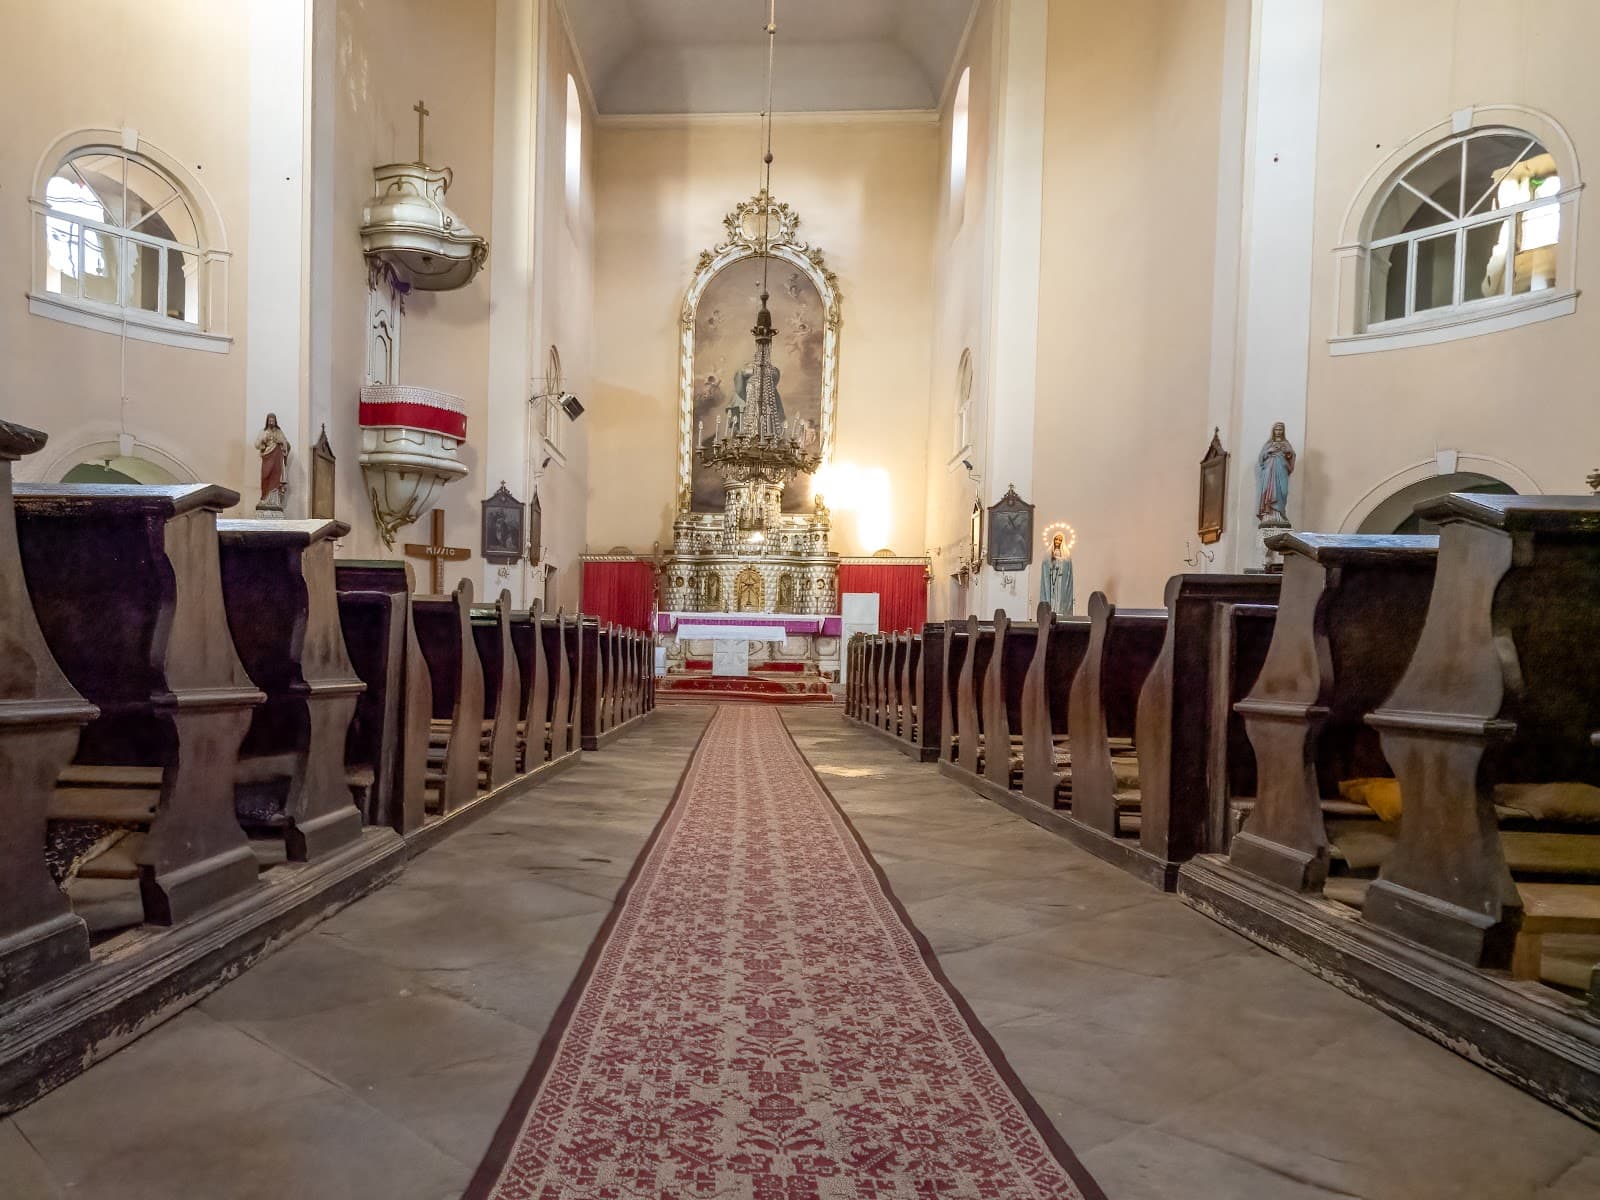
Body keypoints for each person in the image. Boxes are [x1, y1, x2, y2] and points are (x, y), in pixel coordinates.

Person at [1255, 421, 1297, 523]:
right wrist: (1269, 451)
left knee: (1283, 491)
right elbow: (1261, 459)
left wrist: (1288, 453)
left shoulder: (1286, 444)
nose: (1278, 432)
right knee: (1269, 490)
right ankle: (1269, 515)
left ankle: (1281, 513)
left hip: (1282, 469)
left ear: (1283, 431)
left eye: (1280, 430)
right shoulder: (1269, 444)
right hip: (1269, 471)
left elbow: (1291, 455)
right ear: (1273, 431)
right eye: (1276, 429)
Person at [256, 414, 291, 509]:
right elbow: (257, 444)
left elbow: (286, 444)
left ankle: (274, 500)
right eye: (270, 420)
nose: (271, 422)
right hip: (267, 456)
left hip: (277, 457)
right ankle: (264, 498)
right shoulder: (263, 432)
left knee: (276, 476)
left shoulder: (279, 432)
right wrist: (263, 440)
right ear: (267, 421)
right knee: (265, 476)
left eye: (273, 420)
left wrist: (280, 441)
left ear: (275, 421)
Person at [1040, 531, 1074, 617]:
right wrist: (1052, 560)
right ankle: (1049, 615)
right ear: (1053, 540)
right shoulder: (1048, 552)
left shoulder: (1066, 554)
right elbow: (1045, 564)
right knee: (1051, 597)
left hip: (1061, 580)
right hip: (1051, 580)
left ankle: (1060, 614)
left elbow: (1067, 567)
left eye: (1060, 540)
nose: (1058, 541)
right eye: (1056, 539)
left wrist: (1059, 560)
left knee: (1060, 599)